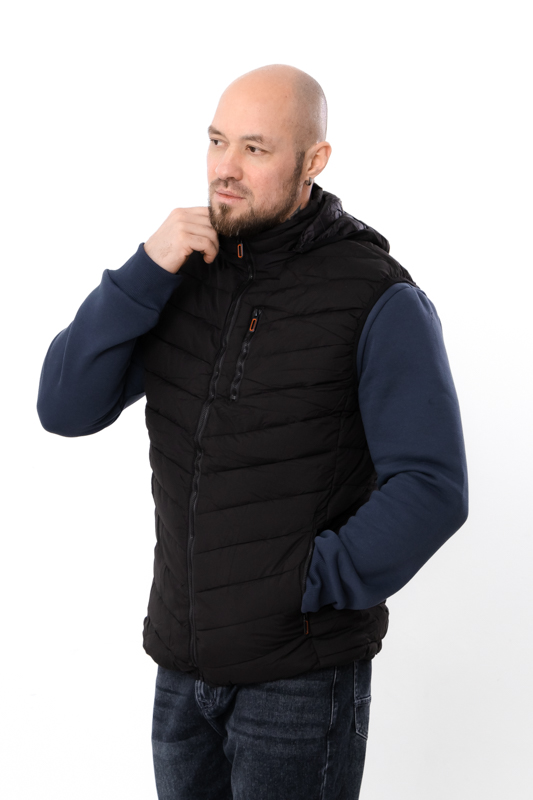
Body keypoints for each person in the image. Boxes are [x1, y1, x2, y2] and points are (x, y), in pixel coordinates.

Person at [37, 64, 468, 800]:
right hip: (181, 671)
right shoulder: (179, 273)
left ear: (313, 160)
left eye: (255, 149)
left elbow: (431, 488)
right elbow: (64, 408)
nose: (224, 169)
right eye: (216, 141)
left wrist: (304, 582)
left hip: (297, 677)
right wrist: (143, 272)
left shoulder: (376, 295)